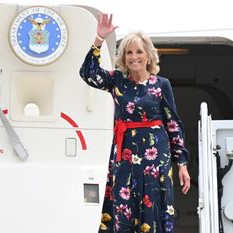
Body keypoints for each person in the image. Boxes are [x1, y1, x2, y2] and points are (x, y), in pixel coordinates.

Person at [79, 13, 191, 233]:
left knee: (154, 209)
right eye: (129, 52)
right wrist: (99, 40)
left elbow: (173, 124)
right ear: (124, 57)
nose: (134, 57)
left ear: (148, 55)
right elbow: (88, 73)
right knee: (123, 211)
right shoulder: (118, 81)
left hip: (156, 157)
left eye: (139, 51)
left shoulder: (161, 84)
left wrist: (182, 163)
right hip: (125, 156)